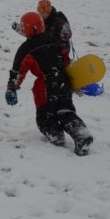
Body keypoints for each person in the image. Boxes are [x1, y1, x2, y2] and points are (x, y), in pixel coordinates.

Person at [6, 11, 92, 156]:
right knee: (65, 111)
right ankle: (81, 134)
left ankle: (55, 135)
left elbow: (18, 70)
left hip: (45, 85)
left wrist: (11, 88)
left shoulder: (26, 49)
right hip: (64, 80)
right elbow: (65, 56)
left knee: (44, 116)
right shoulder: (54, 38)